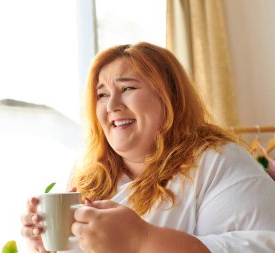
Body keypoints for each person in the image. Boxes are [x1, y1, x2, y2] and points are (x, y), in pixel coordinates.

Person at [21, 42, 275, 253]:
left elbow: (263, 246)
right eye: (102, 94)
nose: (111, 106)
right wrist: (46, 247)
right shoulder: (86, 173)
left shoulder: (218, 160)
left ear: (170, 97)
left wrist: (142, 240)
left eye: (127, 88)